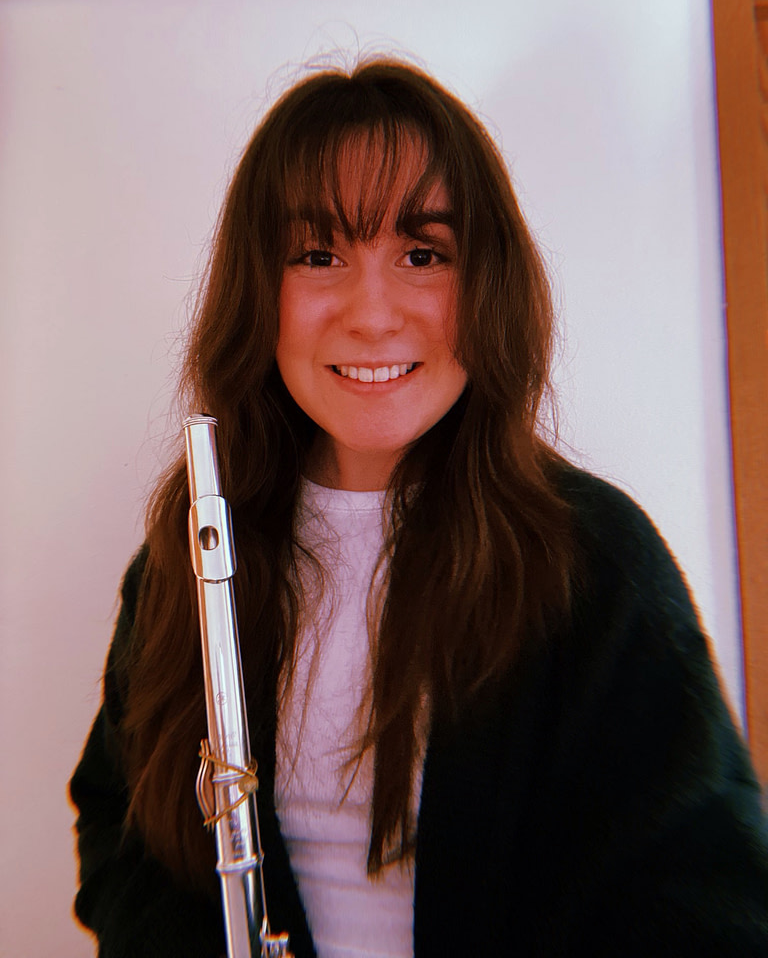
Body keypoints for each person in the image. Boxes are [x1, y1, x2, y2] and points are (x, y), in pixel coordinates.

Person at [70, 59, 768, 958]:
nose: (372, 314)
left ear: (486, 283)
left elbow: (709, 901)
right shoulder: (196, 550)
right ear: (259, 290)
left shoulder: (595, 557)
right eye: (318, 255)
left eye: (423, 255)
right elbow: (122, 829)